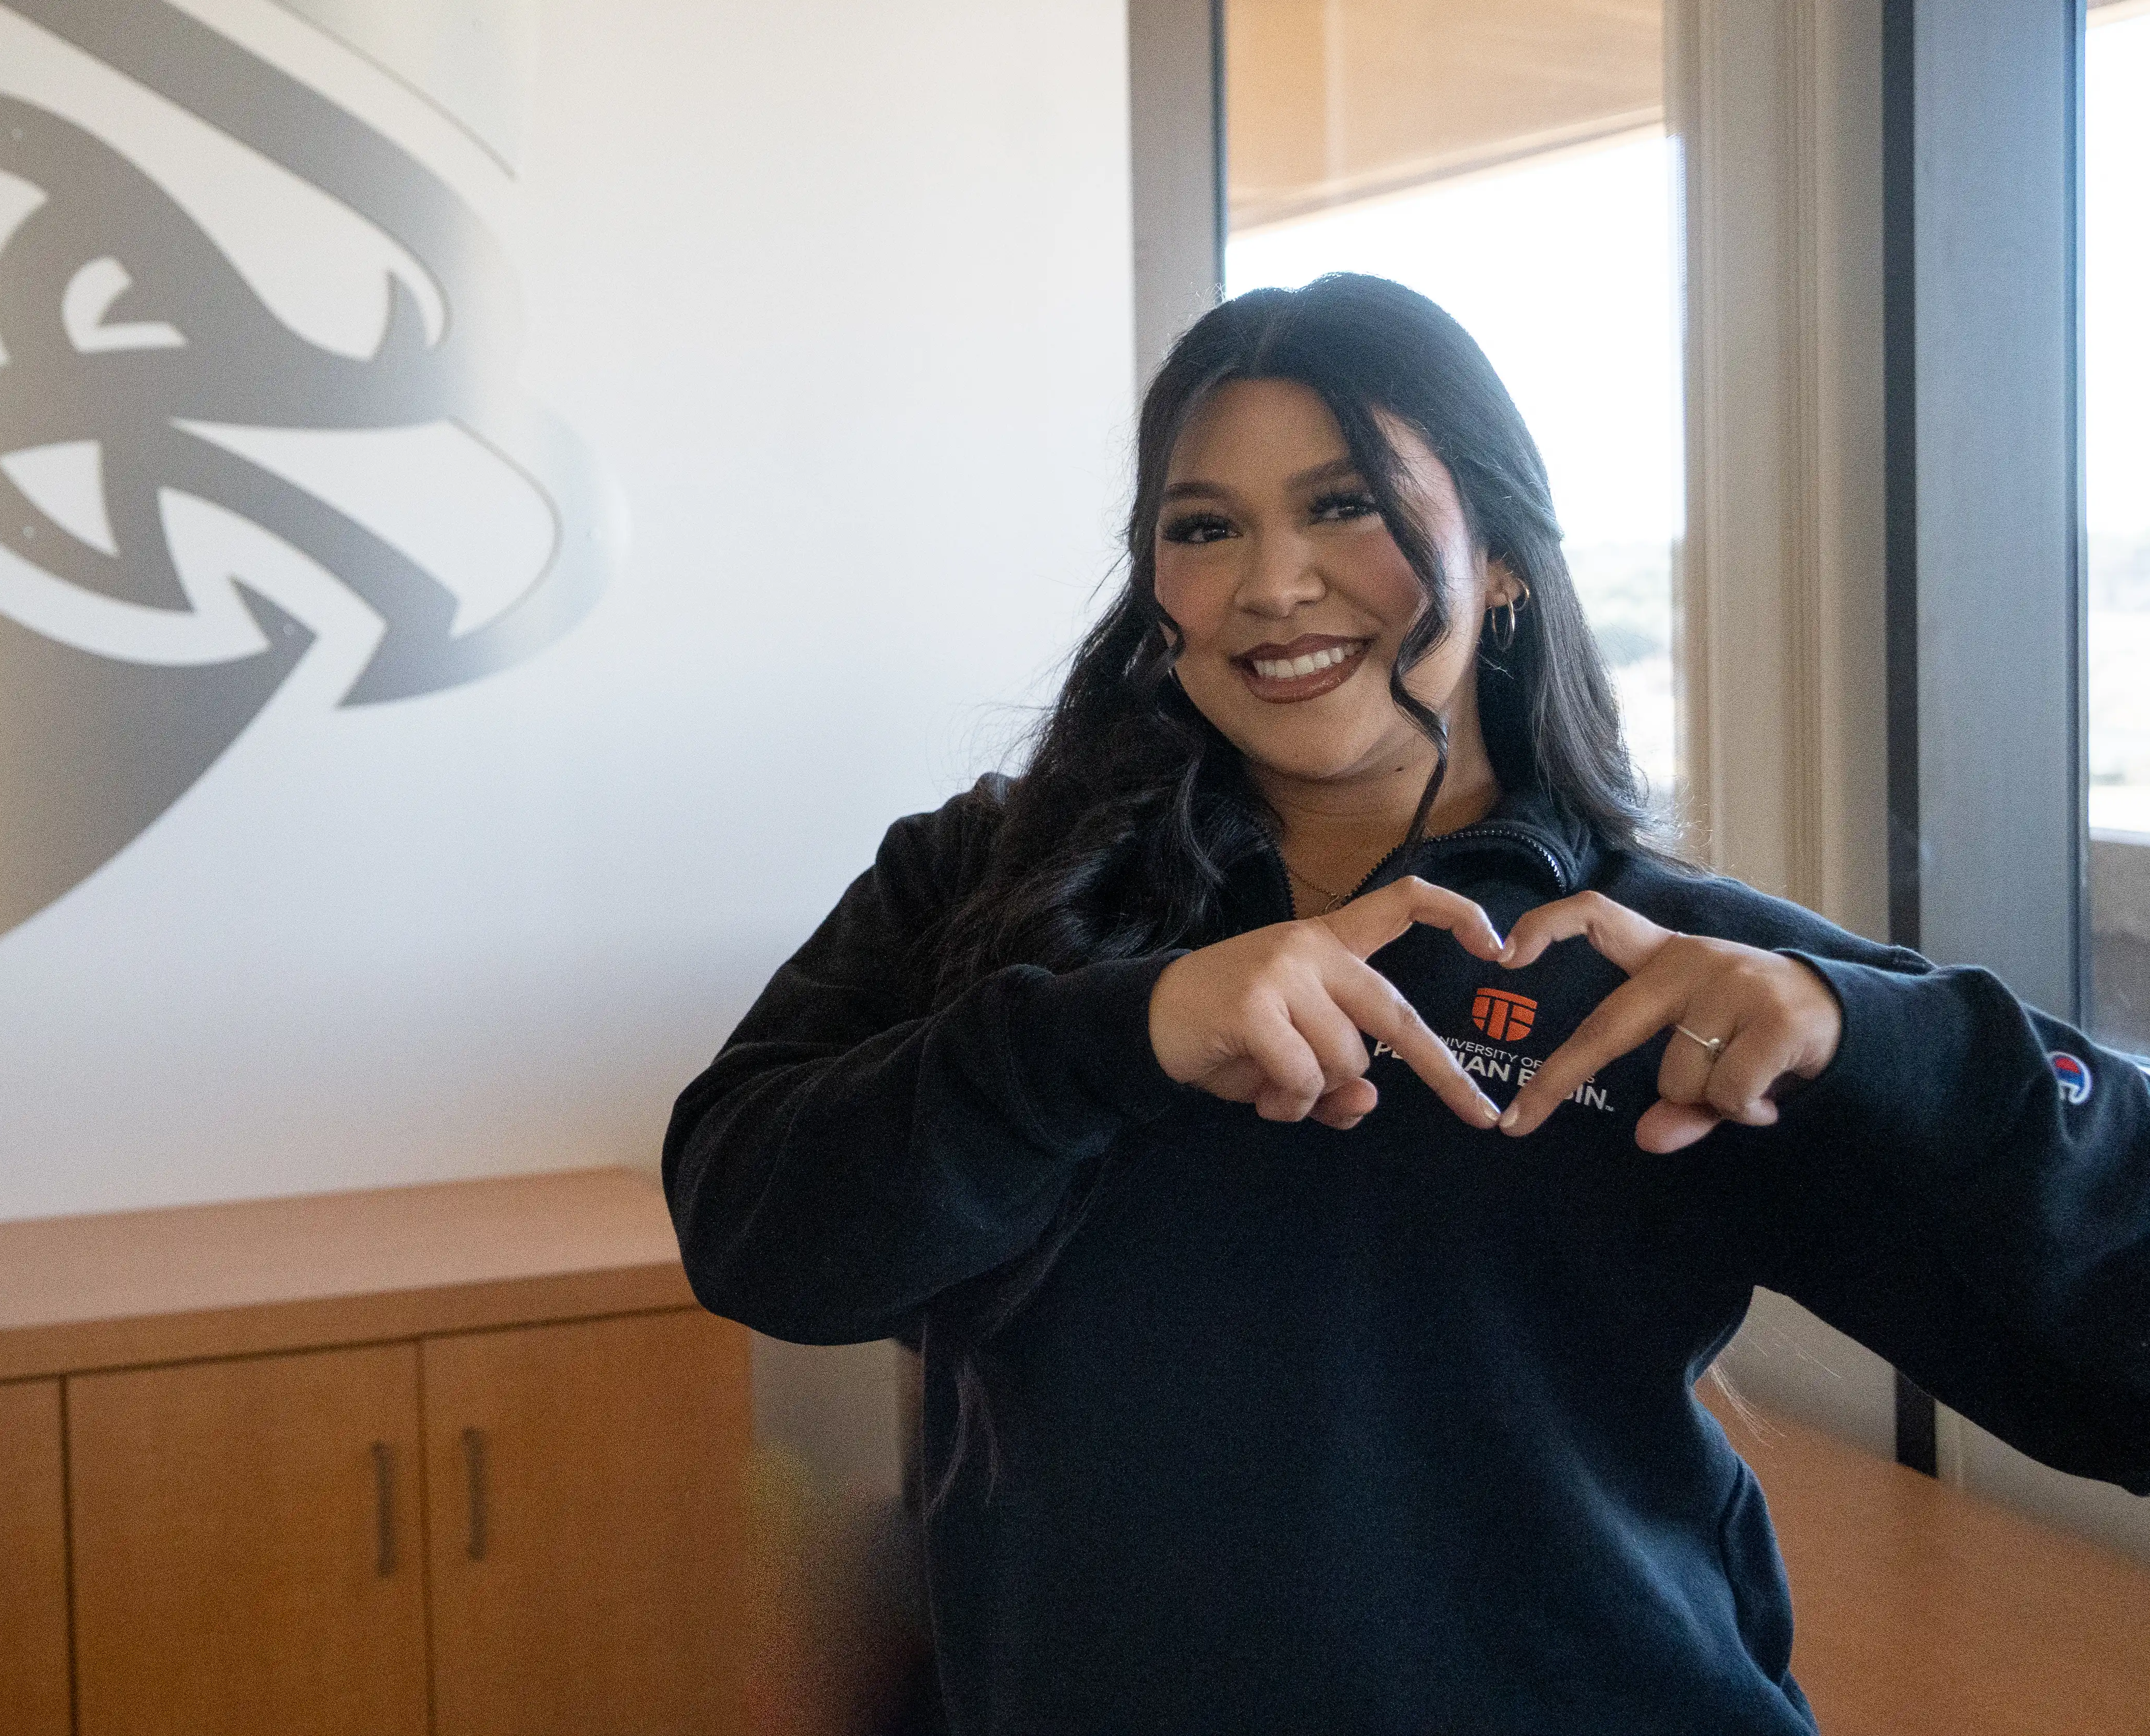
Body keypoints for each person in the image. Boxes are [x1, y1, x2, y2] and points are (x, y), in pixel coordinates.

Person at [662, 276, 2150, 1734]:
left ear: (1502, 555)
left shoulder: (1662, 969)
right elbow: (753, 1224)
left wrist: (1877, 1043)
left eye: (1345, 505)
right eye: (1204, 526)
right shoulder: (990, 888)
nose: (1271, 584)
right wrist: (1122, 1031)